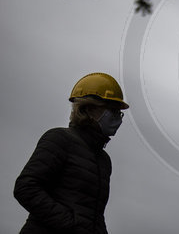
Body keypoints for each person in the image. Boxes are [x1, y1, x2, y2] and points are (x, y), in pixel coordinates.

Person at [14, 72, 129, 234]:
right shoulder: (59, 139)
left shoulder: (104, 160)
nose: (117, 118)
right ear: (88, 108)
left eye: (119, 113)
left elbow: (93, 214)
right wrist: (70, 225)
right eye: (112, 110)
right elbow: (26, 188)